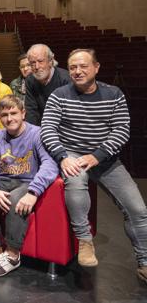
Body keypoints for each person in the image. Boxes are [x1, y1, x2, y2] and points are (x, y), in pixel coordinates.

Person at [41, 49, 147, 284]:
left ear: (96, 68)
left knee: (137, 210)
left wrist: (97, 156)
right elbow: (48, 129)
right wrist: (62, 156)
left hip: (105, 158)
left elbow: (122, 130)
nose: (77, 71)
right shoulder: (59, 95)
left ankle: (145, 262)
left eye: (83, 66)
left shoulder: (114, 94)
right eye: (73, 68)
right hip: (73, 155)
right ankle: (85, 241)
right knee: (76, 184)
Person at [0, 95, 57, 278]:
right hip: (4, 180)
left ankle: (12, 255)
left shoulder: (37, 134)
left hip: (28, 181)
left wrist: (34, 192)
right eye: (5, 115)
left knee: (16, 201)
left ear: (23, 113)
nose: (10, 119)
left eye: (14, 113)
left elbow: (50, 164)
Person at [25, 44, 70, 125]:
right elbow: (31, 111)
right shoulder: (30, 80)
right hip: (40, 128)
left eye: (40, 61)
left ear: (51, 61)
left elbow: (69, 113)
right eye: (32, 63)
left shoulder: (66, 79)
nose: (37, 66)